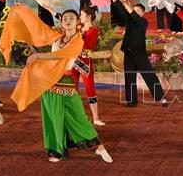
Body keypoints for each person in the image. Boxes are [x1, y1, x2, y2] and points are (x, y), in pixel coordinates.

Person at [18, 9, 112, 163]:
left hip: (66, 83)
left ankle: (99, 147)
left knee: (78, 116)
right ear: (61, 22)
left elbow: (60, 55)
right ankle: (56, 151)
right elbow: (38, 29)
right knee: (52, 118)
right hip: (49, 82)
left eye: (71, 18)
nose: (68, 21)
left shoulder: (78, 41)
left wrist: (38, 55)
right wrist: (23, 13)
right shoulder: (58, 37)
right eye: (65, 18)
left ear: (77, 22)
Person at [111, 0, 167, 107]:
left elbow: (133, 15)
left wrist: (126, 4)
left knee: (149, 76)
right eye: (134, 10)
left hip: (140, 55)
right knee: (129, 78)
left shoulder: (143, 22)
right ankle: (131, 101)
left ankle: (161, 98)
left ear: (142, 13)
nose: (135, 12)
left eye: (137, 11)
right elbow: (120, 8)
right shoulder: (129, 20)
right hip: (128, 53)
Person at [71, 6, 105, 125]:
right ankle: (75, 117)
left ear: (89, 16)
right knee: (73, 88)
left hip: (84, 61)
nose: (80, 17)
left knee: (90, 88)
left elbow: (85, 47)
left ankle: (95, 118)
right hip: (74, 60)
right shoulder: (79, 27)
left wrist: (78, 37)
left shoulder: (93, 30)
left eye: (82, 15)